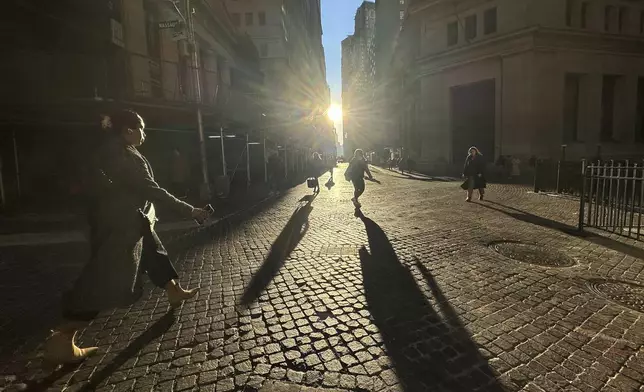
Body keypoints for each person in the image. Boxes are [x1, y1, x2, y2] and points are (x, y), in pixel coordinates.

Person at [43, 110, 211, 365]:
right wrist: (191, 210)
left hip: (125, 220)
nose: (145, 133)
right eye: (141, 128)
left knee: (153, 252)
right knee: (105, 282)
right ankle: (63, 339)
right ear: (127, 131)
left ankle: (173, 290)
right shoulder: (124, 156)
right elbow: (151, 189)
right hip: (123, 226)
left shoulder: (109, 150)